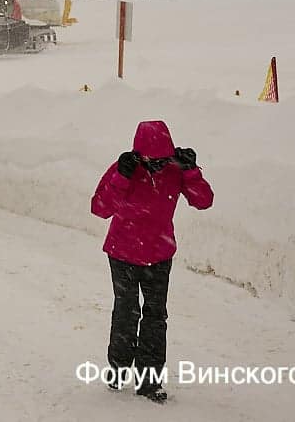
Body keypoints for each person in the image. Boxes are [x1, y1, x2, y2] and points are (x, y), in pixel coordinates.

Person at [90, 120, 213, 404]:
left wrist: (192, 172)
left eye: (162, 160)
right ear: (139, 154)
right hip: (122, 253)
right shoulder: (125, 169)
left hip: (159, 254)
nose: (157, 166)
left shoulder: (176, 169)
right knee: (126, 310)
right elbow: (99, 208)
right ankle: (119, 369)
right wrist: (121, 177)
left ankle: (149, 381)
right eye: (151, 160)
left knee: (156, 316)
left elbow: (204, 201)